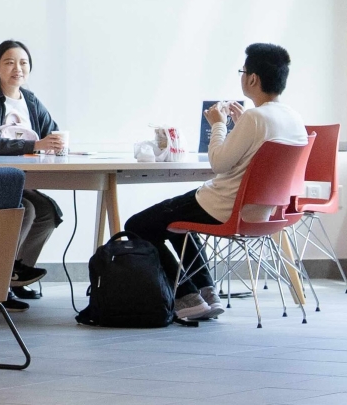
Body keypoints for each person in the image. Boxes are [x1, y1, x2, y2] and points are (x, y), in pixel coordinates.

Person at [124, 43, 307, 321]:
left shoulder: (256, 118)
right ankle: (207, 292)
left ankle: (187, 297)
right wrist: (240, 124)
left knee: (137, 225)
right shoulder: (294, 118)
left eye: (243, 72)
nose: (242, 77)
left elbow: (218, 164)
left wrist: (219, 124)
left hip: (223, 206)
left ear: (253, 79)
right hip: (264, 212)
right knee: (177, 225)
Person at [0, 40, 65, 312]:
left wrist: (57, 142)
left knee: (47, 211)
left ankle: (17, 276)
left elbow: (51, 131)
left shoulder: (30, 100)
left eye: (23, 63)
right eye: (9, 62)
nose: (17, 68)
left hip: (18, 177)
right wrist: (36, 145)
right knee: (26, 209)